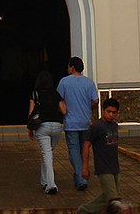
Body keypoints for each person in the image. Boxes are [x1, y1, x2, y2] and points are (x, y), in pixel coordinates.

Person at [57, 56, 99, 190]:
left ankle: (81, 178)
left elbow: (58, 99)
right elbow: (95, 101)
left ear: (72, 67)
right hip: (86, 121)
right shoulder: (89, 83)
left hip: (71, 122)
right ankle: (80, 176)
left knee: (74, 150)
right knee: (83, 149)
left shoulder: (64, 82)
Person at [78, 98, 121, 214]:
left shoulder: (114, 125)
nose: (111, 115)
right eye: (108, 111)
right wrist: (85, 167)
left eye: (114, 112)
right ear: (102, 111)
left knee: (108, 195)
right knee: (114, 200)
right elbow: (86, 145)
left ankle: (84, 211)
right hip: (103, 168)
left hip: (114, 167)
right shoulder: (97, 126)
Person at [28, 70, 67, 194]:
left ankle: (51, 185)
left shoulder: (35, 94)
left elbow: (31, 112)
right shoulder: (56, 93)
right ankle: (44, 181)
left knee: (47, 155)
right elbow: (64, 111)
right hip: (56, 126)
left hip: (42, 127)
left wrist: (30, 128)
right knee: (48, 154)